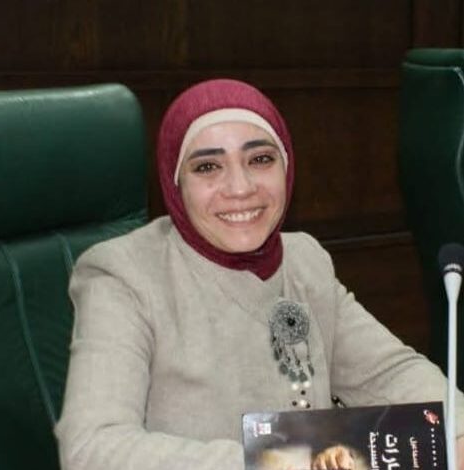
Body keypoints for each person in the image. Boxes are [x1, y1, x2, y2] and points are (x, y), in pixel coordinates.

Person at [55, 79, 464, 470]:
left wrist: (459, 430)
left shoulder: (305, 260)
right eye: (207, 166)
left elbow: (388, 372)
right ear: (175, 183)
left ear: (286, 166)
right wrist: (278, 462)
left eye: (260, 159)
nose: (240, 187)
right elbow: (92, 448)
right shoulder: (123, 276)